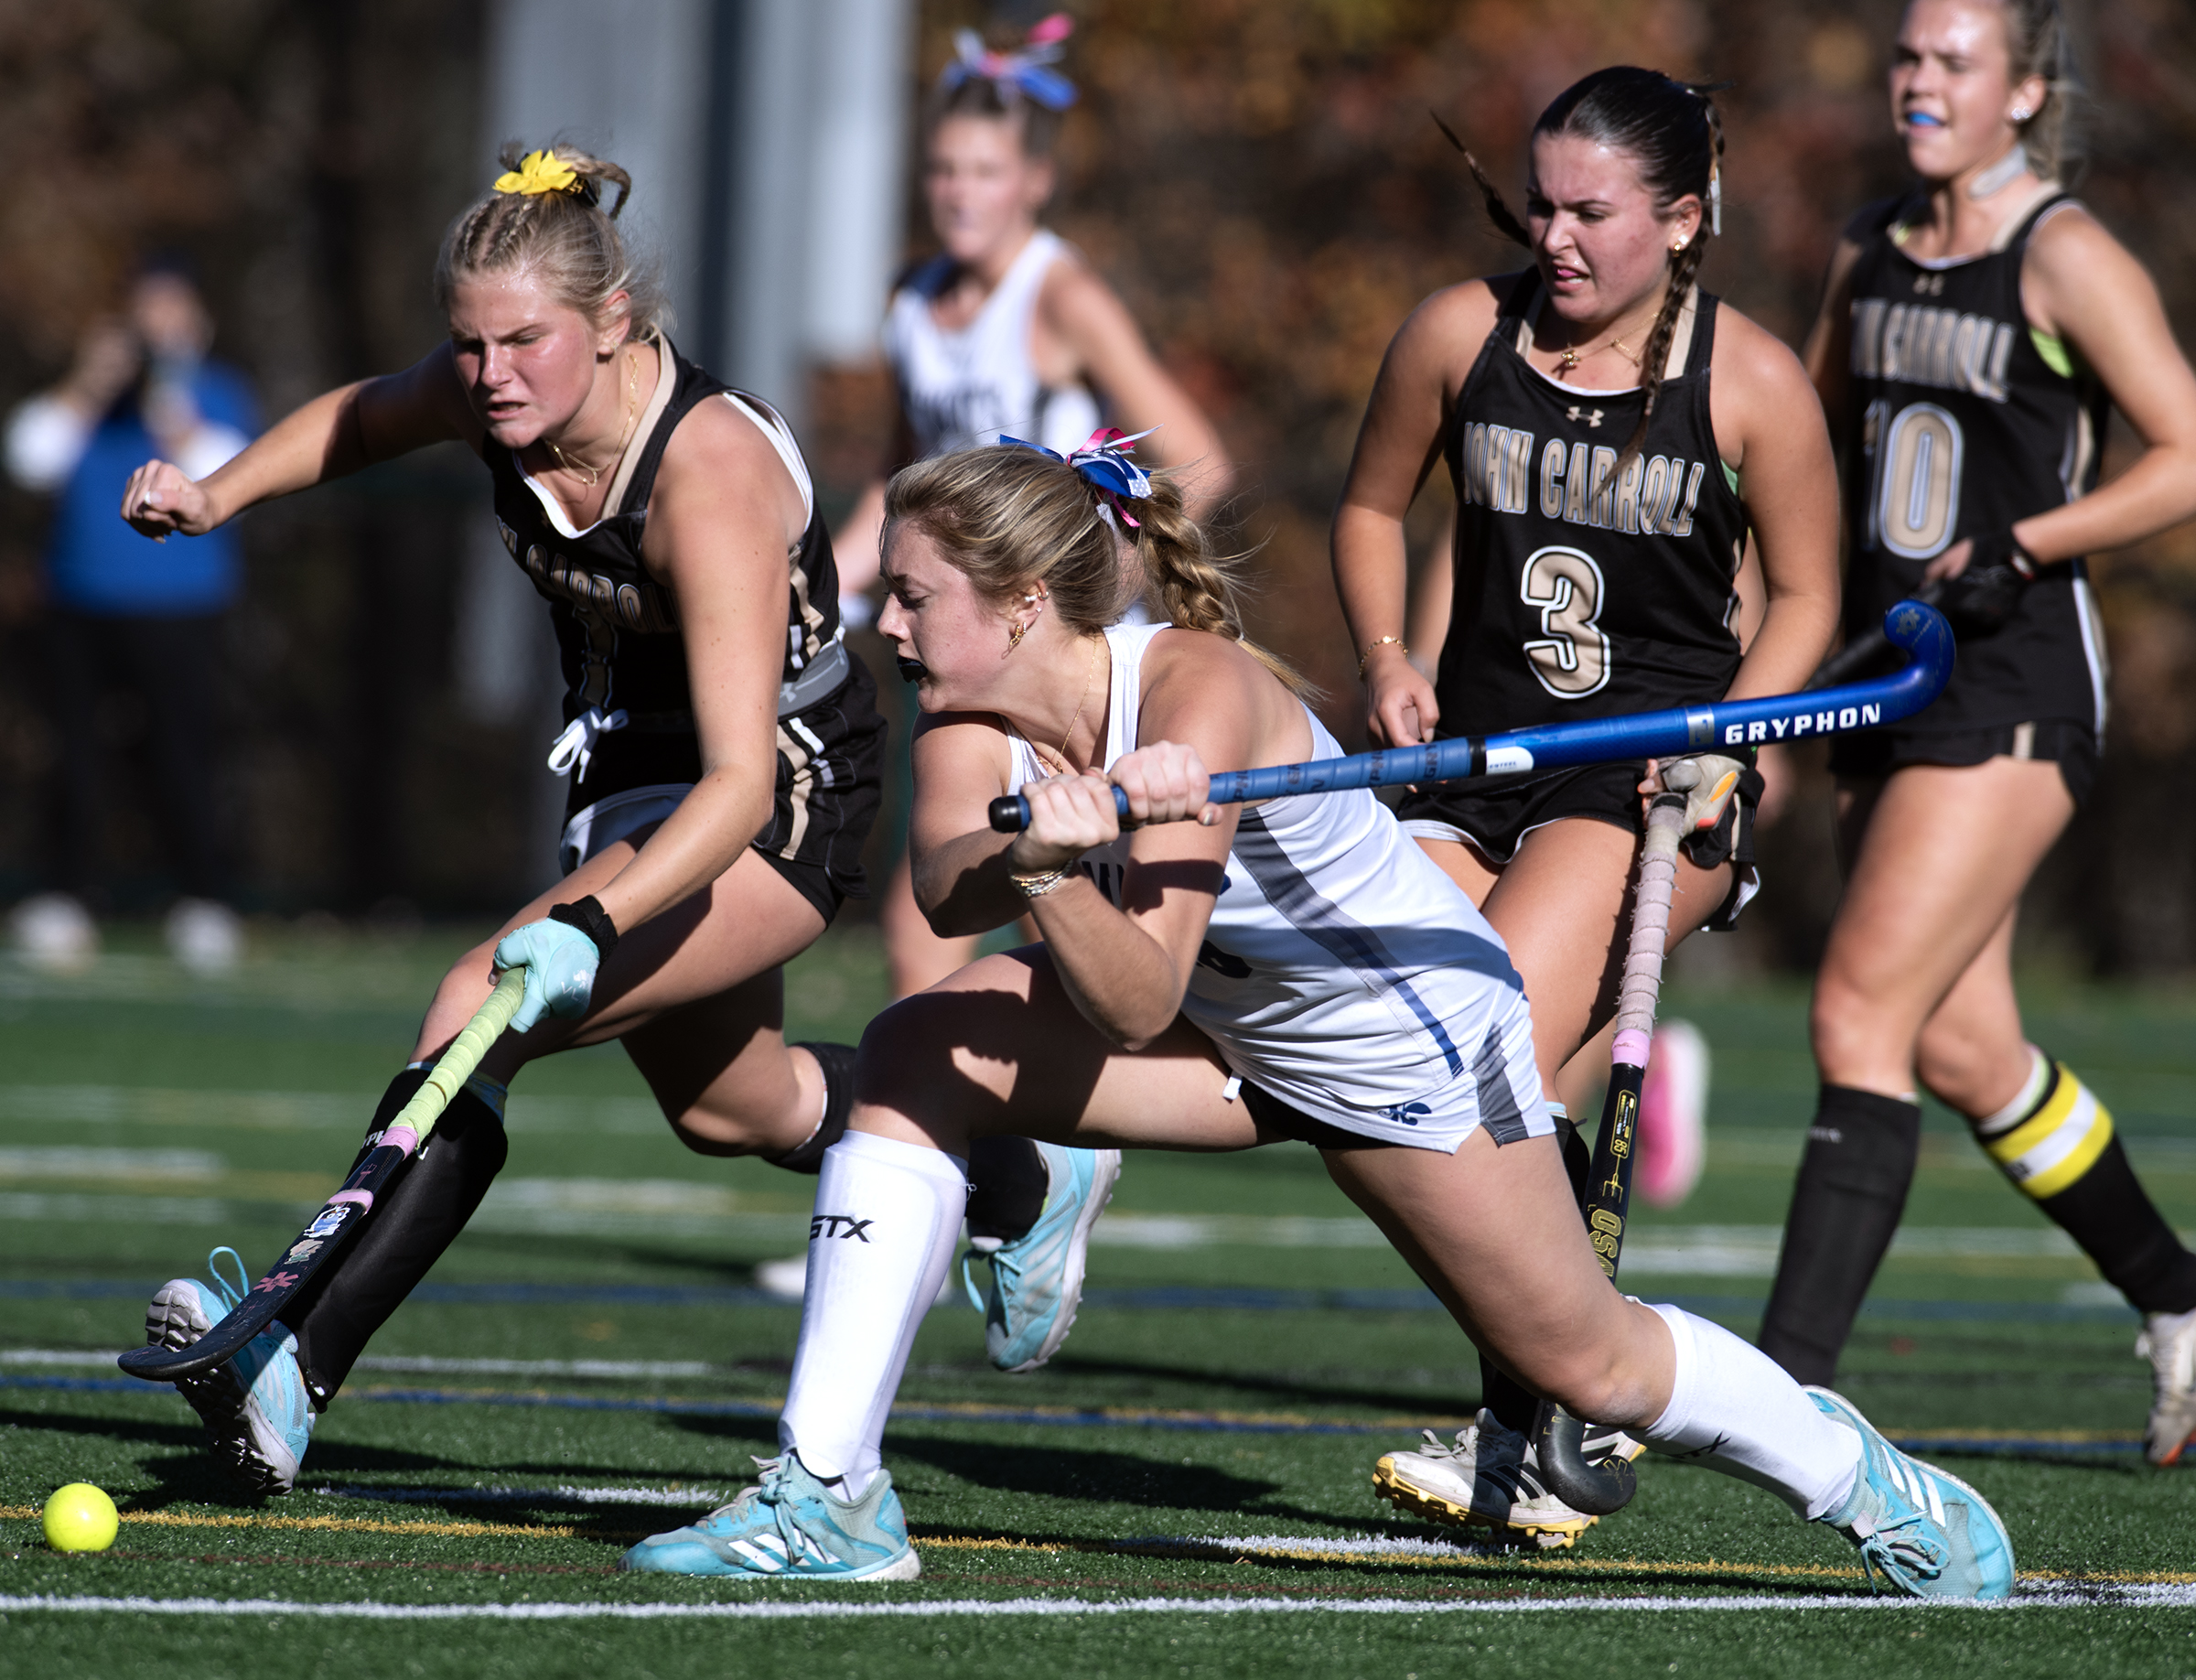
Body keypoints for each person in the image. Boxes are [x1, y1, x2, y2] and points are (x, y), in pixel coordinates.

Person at [614, 437, 2011, 1599]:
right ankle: (830, 1495)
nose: (889, 625)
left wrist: (1051, 871)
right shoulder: (969, 722)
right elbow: (937, 871)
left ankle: (1860, 1480)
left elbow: (1132, 990)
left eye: (916, 598)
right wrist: (1035, 846)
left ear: (1026, 601)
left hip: (1397, 1047)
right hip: (1229, 1037)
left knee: (1584, 1357)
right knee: (917, 1053)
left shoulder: (1204, 692)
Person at [112, 144, 1084, 1497]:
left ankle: (291, 1361)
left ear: (614, 322)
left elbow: (744, 783)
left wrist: (590, 919)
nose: (492, 373)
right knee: (734, 1109)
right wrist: (217, 493)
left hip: (782, 789)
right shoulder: (488, 398)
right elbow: (356, 420)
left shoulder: (708, 475)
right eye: (469, 345)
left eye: (526, 341)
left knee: (480, 1000)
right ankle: (1015, 1176)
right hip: (634, 777)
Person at [1328, 69, 1842, 1541]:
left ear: (1682, 222)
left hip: (1651, 783)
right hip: (1473, 765)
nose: (1555, 237)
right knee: (1400, 1075)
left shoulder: (1747, 385)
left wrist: (1738, 740)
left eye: (1593, 213)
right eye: (1540, 203)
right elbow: (1371, 507)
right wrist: (1388, 658)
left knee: (1483, 1054)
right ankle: (1553, 1394)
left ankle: (1539, 1422)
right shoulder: (1457, 333)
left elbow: (1808, 594)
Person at [1755, 0, 2196, 1466]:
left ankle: (1778, 1398)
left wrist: (2037, 537)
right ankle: (2178, 1296)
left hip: (2014, 687)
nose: (1921, 82)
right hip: (1881, 681)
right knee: (1962, 1046)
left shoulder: (2063, 253)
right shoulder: (1869, 246)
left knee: (1854, 1016)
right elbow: (1802, 451)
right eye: (1909, 56)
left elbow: (2187, 453)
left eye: (1956, 61)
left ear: (2025, 91)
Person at [834, 13, 1233, 1002]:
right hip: (966, 638)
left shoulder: (1059, 295)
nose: (959, 193)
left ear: (1035, 181)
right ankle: (939, 1133)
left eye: (983, 170)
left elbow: (1202, 460)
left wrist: (1108, 574)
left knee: (1165, 932)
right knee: (938, 901)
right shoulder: (911, 306)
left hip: (1065, 658)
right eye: (943, 171)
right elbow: (896, 483)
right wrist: (814, 595)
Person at [4, 255, 256, 973]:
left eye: (170, 313)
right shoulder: (91, 400)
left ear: (197, 323)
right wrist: (90, 382)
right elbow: (29, 458)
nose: (155, 328)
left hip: (184, 609)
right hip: (80, 604)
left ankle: (204, 899)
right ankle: (65, 896)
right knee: (76, 757)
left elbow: (226, 467)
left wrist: (166, 399)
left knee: (184, 756)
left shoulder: (216, 392)